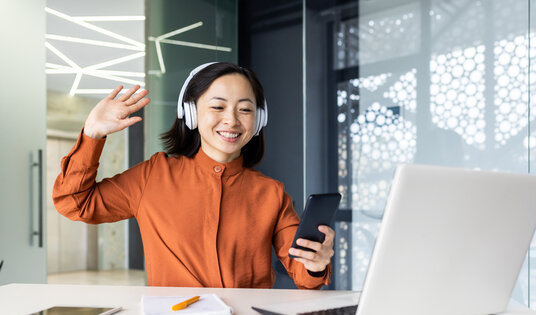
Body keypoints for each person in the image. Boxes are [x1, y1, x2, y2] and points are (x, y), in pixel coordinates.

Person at [53, 62, 334, 289]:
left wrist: (315, 263)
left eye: (245, 109)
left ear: (258, 120)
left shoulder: (272, 193)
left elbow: (302, 272)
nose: (232, 120)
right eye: (217, 106)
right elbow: (74, 203)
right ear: (190, 112)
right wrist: (92, 134)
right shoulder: (153, 176)